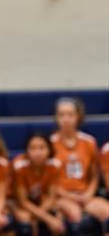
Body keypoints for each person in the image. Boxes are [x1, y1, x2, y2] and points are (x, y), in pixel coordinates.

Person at [51, 97, 109, 235]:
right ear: (56, 118)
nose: (66, 119)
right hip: (61, 196)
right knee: (76, 217)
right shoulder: (50, 143)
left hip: (85, 194)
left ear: (78, 117)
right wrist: (69, 196)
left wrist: (89, 193)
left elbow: (95, 174)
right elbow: (48, 180)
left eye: (70, 115)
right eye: (62, 115)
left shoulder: (89, 142)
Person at [13, 134, 65, 236]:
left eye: (42, 147)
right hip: (17, 203)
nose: (37, 152)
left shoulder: (54, 166)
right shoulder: (19, 166)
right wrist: (48, 218)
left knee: (58, 216)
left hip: (41, 201)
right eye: (33, 148)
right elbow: (23, 201)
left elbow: (51, 197)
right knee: (26, 223)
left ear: (49, 150)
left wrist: (37, 217)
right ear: (27, 151)